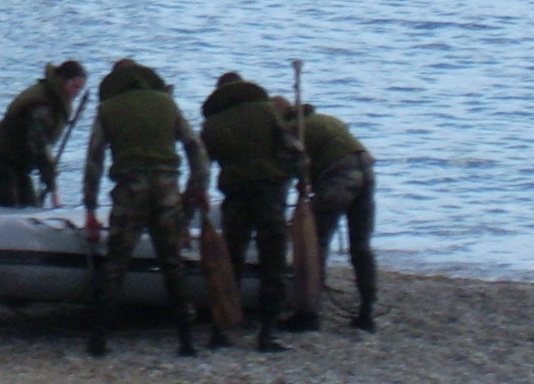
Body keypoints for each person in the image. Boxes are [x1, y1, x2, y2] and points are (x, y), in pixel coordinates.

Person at [80, 59, 207, 359]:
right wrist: (194, 192)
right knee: (173, 263)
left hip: (129, 192)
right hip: (167, 191)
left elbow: (94, 160)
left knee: (116, 263)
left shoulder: (108, 109)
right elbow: (196, 151)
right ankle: (186, 339)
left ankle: (99, 339)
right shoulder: (167, 104)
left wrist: (90, 207)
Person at [201, 71, 303, 352]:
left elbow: (202, 166)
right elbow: (294, 150)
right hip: (269, 196)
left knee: (231, 260)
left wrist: (196, 194)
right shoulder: (267, 111)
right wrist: (301, 180)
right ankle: (267, 333)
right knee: (273, 262)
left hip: (235, 198)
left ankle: (219, 329)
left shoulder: (211, 125)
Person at [292, 102, 378, 332]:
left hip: (338, 178)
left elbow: (293, 168)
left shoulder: (293, 130)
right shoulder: (328, 120)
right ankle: (367, 312)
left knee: (316, 243)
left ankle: (308, 315)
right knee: (361, 246)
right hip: (367, 172)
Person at [0, 59, 86, 207]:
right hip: (1, 163)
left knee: (32, 210)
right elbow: (40, 146)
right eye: (75, 87)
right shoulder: (42, 106)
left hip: (20, 166)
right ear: (62, 81)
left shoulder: (56, 100)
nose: (76, 93)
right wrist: (53, 189)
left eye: (80, 89)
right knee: (9, 214)